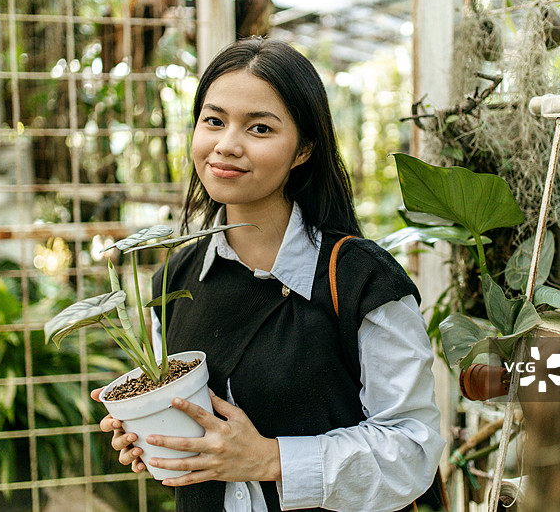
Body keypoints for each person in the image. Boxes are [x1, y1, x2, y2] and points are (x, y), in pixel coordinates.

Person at [91, 37, 445, 512]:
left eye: (259, 129)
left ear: (303, 150)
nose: (226, 145)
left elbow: (412, 452)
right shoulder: (175, 279)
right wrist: (152, 437)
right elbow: (199, 445)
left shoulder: (360, 280)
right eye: (213, 121)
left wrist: (270, 459)